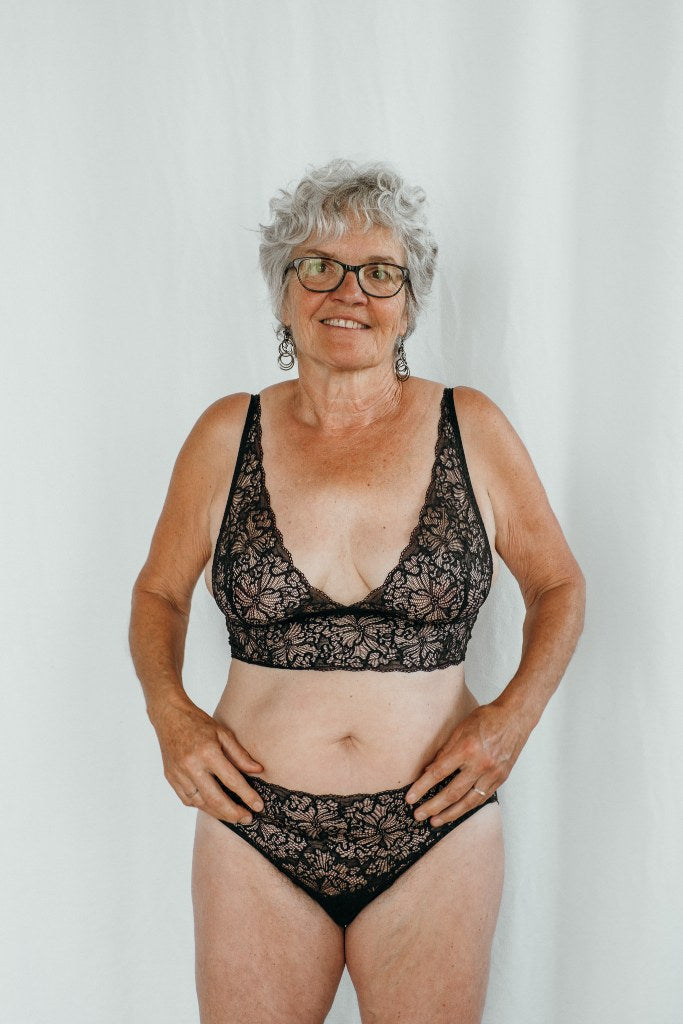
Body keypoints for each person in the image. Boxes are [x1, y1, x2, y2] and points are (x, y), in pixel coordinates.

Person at [129, 158, 585, 1024]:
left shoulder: (472, 425)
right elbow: (159, 592)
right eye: (318, 267)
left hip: (433, 832)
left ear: (409, 303)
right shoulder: (228, 432)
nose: (349, 292)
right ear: (282, 291)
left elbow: (558, 583)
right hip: (254, 830)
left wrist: (510, 721)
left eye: (381, 272)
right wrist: (170, 713)